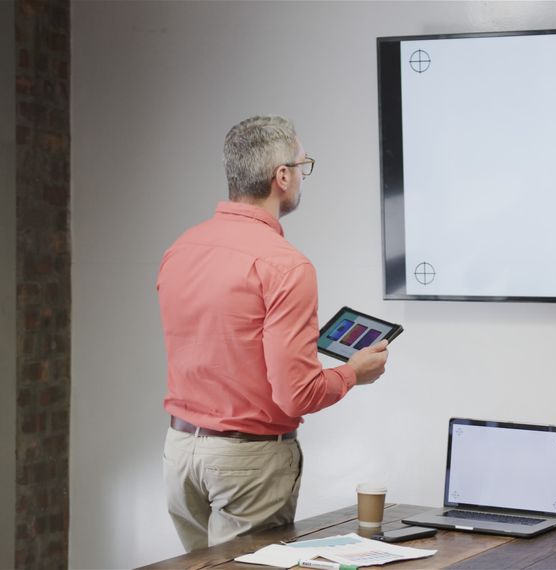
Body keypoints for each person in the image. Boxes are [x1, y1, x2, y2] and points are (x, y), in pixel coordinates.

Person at [156, 115, 389, 551]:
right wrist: (353, 372)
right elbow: (295, 394)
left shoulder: (180, 248)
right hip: (248, 462)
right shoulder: (286, 266)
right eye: (303, 165)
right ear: (282, 176)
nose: (303, 175)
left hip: (180, 452)